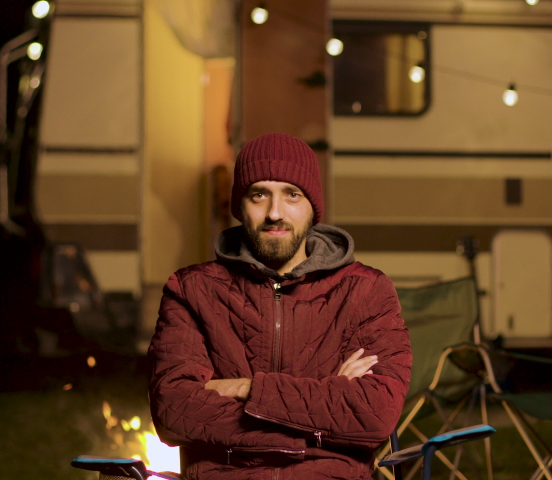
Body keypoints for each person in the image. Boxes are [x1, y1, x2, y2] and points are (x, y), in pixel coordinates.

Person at [148, 132, 412, 480]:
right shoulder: (191, 290)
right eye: (259, 195)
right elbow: (174, 410)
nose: (275, 213)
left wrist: (246, 388)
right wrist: (322, 416)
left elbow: (375, 414)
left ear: (312, 207)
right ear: (240, 206)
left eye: (292, 195)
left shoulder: (364, 291)